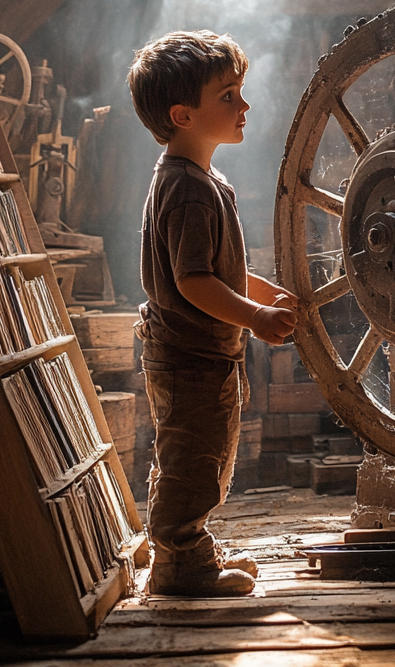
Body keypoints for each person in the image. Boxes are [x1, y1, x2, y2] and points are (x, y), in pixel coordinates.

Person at [127, 29, 299, 597]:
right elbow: (192, 280)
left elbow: (215, 270)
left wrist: (261, 293)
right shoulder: (191, 190)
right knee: (194, 460)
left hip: (200, 353)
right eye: (228, 95)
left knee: (197, 455)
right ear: (183, 115)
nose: (244, 105)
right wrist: (253, 316)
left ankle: (186, 545)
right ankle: (181, 565)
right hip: (189, 355)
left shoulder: (200, 180)